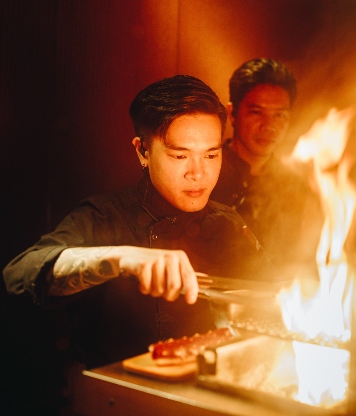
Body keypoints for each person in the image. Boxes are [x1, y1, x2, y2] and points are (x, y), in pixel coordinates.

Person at [3, 75, 266, 370]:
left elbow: (273, 297)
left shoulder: (229, 224)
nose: (198, 173)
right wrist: (123, 258)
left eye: (211, 155)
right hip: (113, 391)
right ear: (143, 151)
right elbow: (18, 276)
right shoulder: (103, 217)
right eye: (180, 155)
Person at [211, 58, 323, 281]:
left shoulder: (295, 185)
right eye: (256, 112)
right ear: (232, 114)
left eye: (279, 115)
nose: (269, 126)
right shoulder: (205, 173)